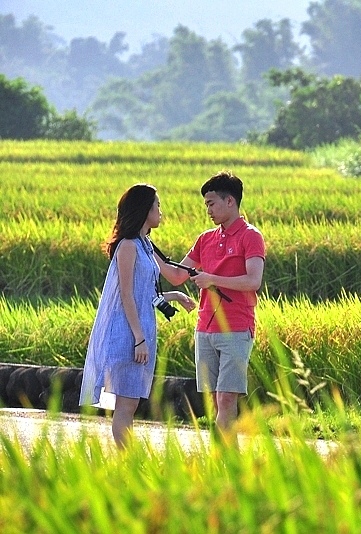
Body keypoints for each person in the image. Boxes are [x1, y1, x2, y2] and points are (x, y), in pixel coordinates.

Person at [80, 184, 196, 448]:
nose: (161, 211)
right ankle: (127, 461)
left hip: (140, 330)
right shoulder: (129, 246)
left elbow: (144, 294)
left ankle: (127, 460)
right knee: (126, 404)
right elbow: (126, 295)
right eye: (157, 205)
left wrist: (174, 296)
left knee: (130, 403)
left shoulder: (144, 245)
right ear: (144, 209)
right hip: (129, 333)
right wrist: (139, 338)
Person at [157, 170, 265, 434]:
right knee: (216, 402)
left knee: (227, 398)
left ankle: (226, 460)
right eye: (206, 204)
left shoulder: (251, 236)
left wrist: (212, 279)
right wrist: (146, 248)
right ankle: (224, 461)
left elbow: (253, 281)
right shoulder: (205, 239)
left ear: (230, 202)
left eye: (211, 203)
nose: (208, 210)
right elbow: (177, 275)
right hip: (205, 328)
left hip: (236, 328)